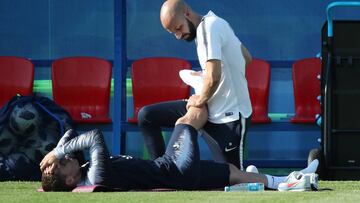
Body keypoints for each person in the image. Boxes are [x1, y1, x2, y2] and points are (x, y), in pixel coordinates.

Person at [40, 105, 318, 191]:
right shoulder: (96, 176)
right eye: (64, 162)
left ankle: (285, 181)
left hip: (177, 174)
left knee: (230, 172)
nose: (67, 157)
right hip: (173, 168)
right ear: (69, 178)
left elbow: (71, 133)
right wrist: (57, 153)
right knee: (188, 117)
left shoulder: (81, 173)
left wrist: (56, 151)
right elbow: (95, 136)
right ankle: (217, 109)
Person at [138, 0, 253, 170]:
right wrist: (205, 76)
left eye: (178, 28)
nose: (178, 35)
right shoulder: (216, 24)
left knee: (234, 181)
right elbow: (247, 57)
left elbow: (214, 77)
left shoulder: (209, 28)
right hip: (208, 110)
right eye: (173, 33)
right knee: (147, 116)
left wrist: (199, 99)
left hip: (229, 117)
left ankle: (272, 180)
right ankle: (159, 173)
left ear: (187, 13)